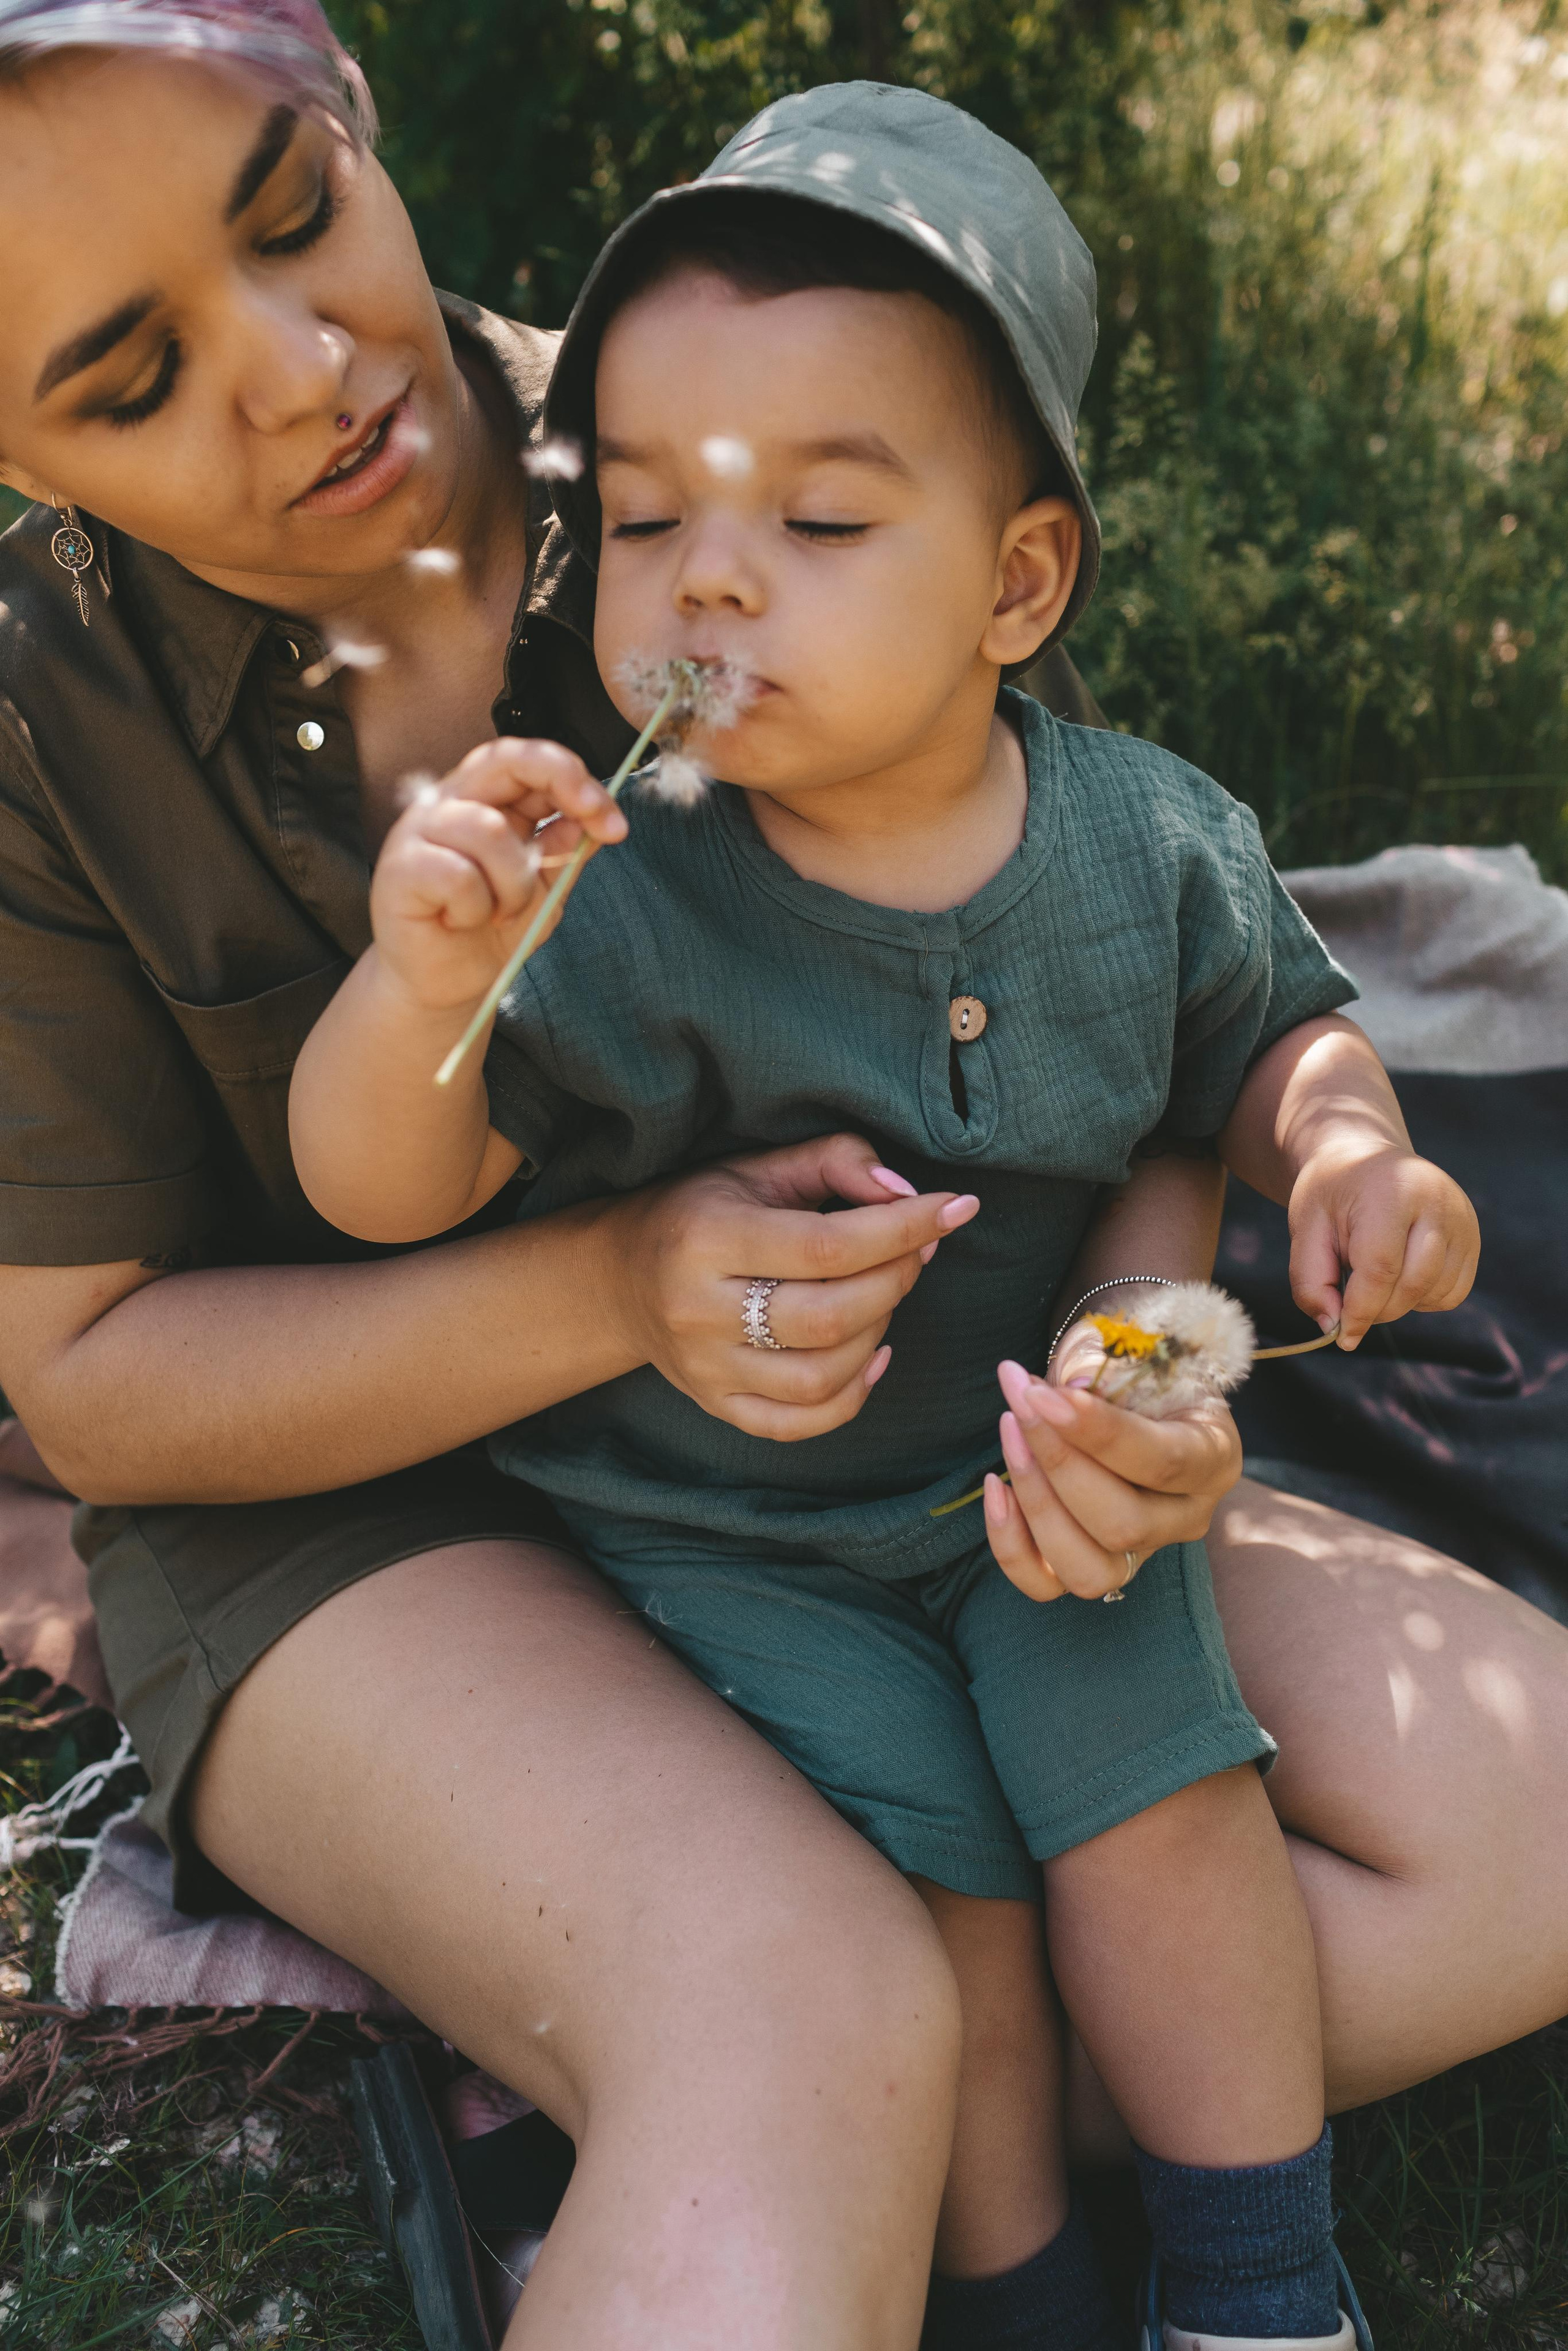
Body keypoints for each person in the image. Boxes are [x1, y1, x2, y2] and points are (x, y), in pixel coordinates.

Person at [0, 9, 1561, 2347]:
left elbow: (1112, 1020)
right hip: (353, 1516)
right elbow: (105, 1400)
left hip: (913, 1440)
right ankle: (845, 2063)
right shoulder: (38, 732)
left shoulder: (741, 419)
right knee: (808, 2008)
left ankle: (941, 2063)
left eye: (296, 213)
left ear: (350, 120)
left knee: (1525, 1823)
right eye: (128, 376)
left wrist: (1119, 1379)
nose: (309, 367)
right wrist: (626, 1288)